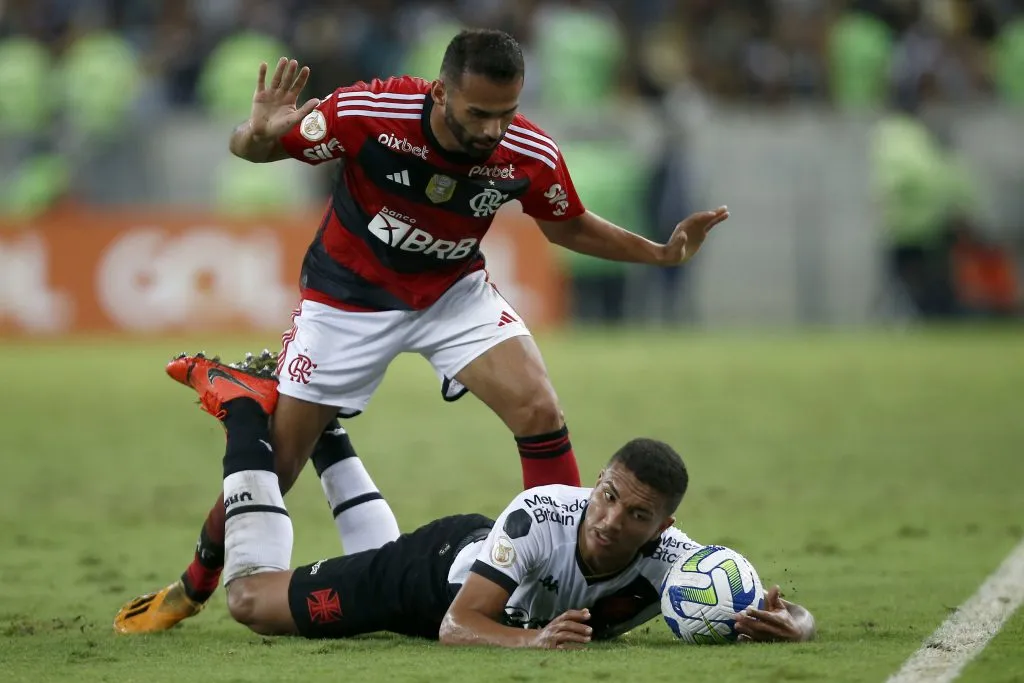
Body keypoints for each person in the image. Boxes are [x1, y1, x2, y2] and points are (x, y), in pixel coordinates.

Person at [114, 28, 730, 634]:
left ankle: (554, 575)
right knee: (279, 467)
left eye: (506, 113)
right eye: (478, 113)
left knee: (538, 408)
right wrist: (254, 131)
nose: (492, 130)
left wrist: (659, 253)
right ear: (440, 93)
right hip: (346, 298)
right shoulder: (367, 113)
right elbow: (257, 149)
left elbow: (565, 225)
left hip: (452, 294)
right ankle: (193, 584)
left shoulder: (526, 150)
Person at [119, 376, 814, 647]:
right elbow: (459, 624)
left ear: (660, 528)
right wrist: (532, 643)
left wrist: (793, 624)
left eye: (634, 515)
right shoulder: (541, 513)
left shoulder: (676, 561)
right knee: (247, 599)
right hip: (430, 582)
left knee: (359, 553)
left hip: (475, 580)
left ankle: (328, 431)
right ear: (596, 482)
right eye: (606, 495)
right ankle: (242, 404)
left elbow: (778, 608)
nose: (608, 519)